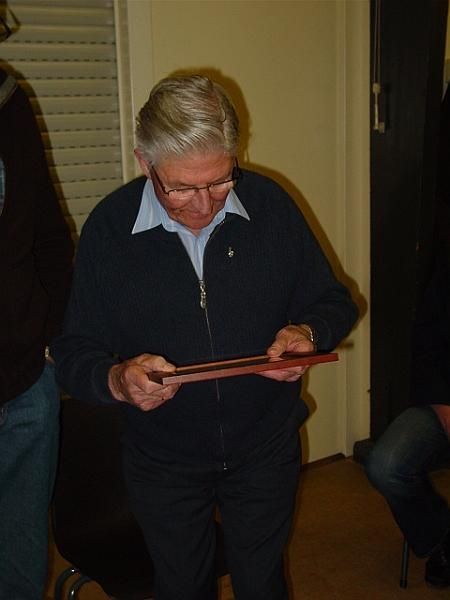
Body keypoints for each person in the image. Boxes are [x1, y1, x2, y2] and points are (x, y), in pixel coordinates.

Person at [52, 73, 358, 599]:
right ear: (145, 163)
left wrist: (307, 331)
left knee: (262, 584)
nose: (204, 206)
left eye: (219, 181)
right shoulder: (110, 229)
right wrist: (118, 380)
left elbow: (334, 301)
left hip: (264, 445)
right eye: (181, 188)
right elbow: (73, 351)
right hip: (162, 459)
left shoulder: (269, 205)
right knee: (182, 587)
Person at [365, 86, 450, 589]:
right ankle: (442, 538)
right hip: (446, 402)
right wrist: (444, 404)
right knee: (386, 464)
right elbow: (430, 335)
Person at [0, 68, 74, 598]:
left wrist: (49, 342)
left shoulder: (8, 101)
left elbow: (48, 235)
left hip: (25, 387)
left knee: (20, 571)